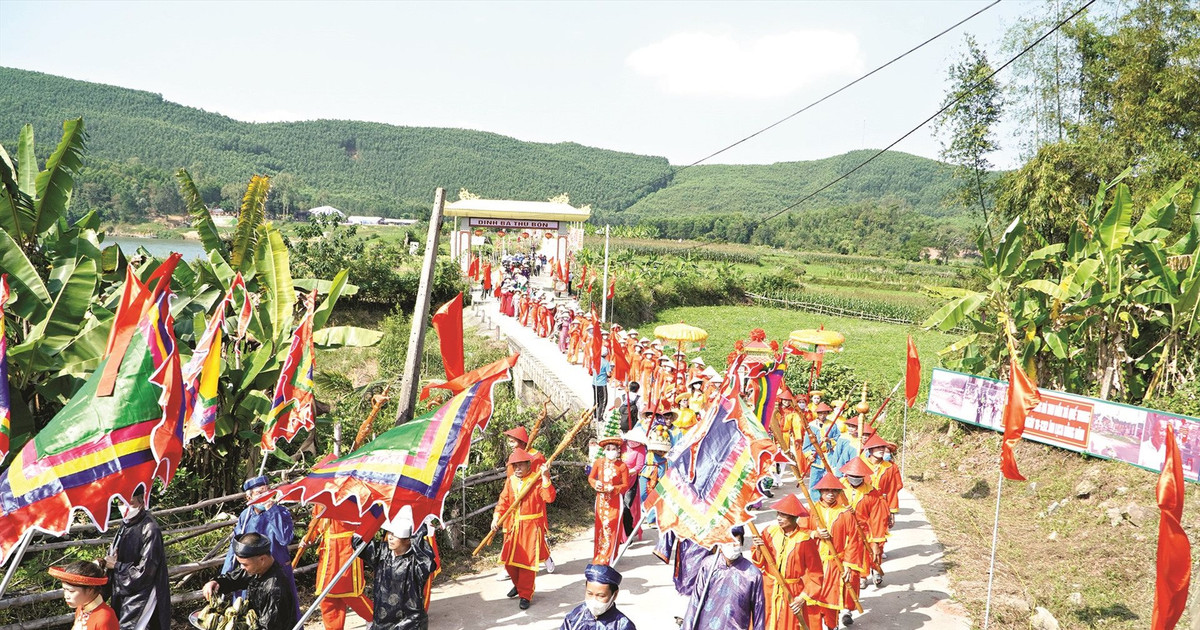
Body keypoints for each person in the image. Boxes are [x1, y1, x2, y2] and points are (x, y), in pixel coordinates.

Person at [222, 476, 299, 615]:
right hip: (252, 571)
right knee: (250, 614)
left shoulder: (281, 512)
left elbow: (285, 539)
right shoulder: (245, 516)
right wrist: (225, 575)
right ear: (248, 497)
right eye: (259, 493)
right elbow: (236, 547)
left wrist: (272, 511)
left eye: (267, 490)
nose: (265, 495)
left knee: (283, 615)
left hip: (277, 572)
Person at [492, 447, 557, 610]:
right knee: (508, 561)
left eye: (520, 465)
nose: (517, 469)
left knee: (527, 564)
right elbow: (503, 501)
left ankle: (525, 595)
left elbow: (549, 498)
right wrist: (496, 517)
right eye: (514, 466)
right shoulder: (511, 481)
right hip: (513, 526)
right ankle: (519, 585)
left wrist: (545, 478)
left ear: (529, 465)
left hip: (530, 528)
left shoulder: (535, 481)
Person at [749, 495, 822, 630]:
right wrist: (758, 548)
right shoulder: (769, 532)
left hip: (791, 592)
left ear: (794, 517)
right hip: (768, 587)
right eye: (778, 514)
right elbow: (759, 563)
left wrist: (802, 598)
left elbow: (816, 574)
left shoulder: (805, 541)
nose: (779, 518)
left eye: (784, 515)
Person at [804, 474, 866, 629]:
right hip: (813, 563)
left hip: (834, 562)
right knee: (812, 599)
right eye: (826, 490)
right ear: (820, 492)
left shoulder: (845, 514)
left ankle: (832, 626)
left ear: (839, 493)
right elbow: (800, 532)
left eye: (834, 491)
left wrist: (848, 565)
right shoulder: (811, 511)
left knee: (831, 599)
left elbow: (854, 540)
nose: (830, 494)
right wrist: (814, 534)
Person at [104, 486, 171, 630]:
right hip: (125, 587)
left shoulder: (150, 529)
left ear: (141, 502)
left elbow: (146, 572)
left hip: (143, 593)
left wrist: (116, 566)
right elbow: (113, 555)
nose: (125, 508)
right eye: (121, 503)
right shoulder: (125, 524)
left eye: (130, 503)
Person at [204, 533, 299, 630]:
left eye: (245, 564)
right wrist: (216, 582)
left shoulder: (275, 590)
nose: (242, 568)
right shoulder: (258, 569)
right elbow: (235, 578)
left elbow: (268, 627)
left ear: (262, 559)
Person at [361, 514, 439, 630]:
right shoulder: (381, 553)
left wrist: (417, 527)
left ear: (409, 539)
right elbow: (358, 542)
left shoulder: (417, 563)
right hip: (382, 621)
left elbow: (428, 562)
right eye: (390, 533)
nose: (390, 538)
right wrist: (375, 515)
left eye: (395, 534)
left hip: (410, 623)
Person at [680, 526, 766, 630]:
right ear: (720, 544)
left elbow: (759, 612)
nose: (733, 545)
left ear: (742, 543)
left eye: (736, 541)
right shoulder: (708, 565)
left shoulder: (752, 574)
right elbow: (695, 601)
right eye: (728, 542)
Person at [310, 515, 374, 630]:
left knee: (348, 591)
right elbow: (316, 522)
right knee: (327, 595)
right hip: (327, 550)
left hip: (346, 548)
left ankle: (374, 618)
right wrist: (309, 537)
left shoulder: (350, 498)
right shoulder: (321, 499)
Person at [839, 458, 889, 589]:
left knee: (867, 553)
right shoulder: (838, 488)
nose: (855, 478)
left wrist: (876, 541)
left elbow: (877, 518)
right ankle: (853, 576)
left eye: (858, 476)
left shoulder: (872, 494)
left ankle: (868, 573)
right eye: (852, 476)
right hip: (843, 528)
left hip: (864, 529)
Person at [589, 424, 633, 565]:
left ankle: (610, 557)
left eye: (613, 449)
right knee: (600, 527)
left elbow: (626, 485)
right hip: (601, 500)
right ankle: (599, 556)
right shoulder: (598, 463)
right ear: (604, 450)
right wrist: (596, 484)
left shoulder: (622, 466)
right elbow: (590, 478)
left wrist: (613, 489)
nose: (611, 451)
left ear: (618, 450)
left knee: (612, 527)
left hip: (615, 502)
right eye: (608, 449)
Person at [559, 564, 637, 630]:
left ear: (615, 594)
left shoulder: (623, 625)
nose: (594, 601)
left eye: (601, 596)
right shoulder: (575, 617)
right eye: (589, 594)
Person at [49, 560, 118, 630]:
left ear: (90, 589)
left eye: (71, 591)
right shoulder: (81, 607)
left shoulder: (105, 617)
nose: (66, 596)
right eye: (64, 590)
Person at [595, 348, 614, 424]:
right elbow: (609, 374)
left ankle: (595, 415)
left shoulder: (596, 360)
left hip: (594, 382)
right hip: (602, 383)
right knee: (603, 401)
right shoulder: (606, 363)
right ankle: (600, 417)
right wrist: (611, 370)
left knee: (596, 400)